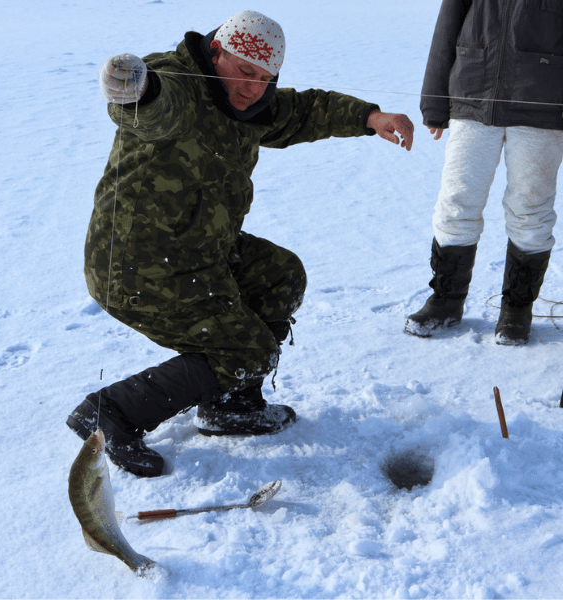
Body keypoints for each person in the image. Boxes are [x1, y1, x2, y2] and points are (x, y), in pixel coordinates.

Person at [67, 10, 414, 477]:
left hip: (199, 252)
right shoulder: (182, 86)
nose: (253, 87)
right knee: (248, 350)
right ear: (215, 53)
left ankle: (231, 405)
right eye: (245, 72)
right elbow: (154, 110)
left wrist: (371, 116)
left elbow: (304, 110)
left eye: (265, 79)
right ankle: (112, 412)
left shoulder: (250, 106)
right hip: (134, 265)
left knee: (280, 275)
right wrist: (137, 91)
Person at [404, 0, 563, 345]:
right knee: (457, 201)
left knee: (531, 210)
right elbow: (447, 28)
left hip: (542, 106)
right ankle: (446, 301)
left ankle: (516, 310)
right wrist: (434, 102)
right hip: (472, 96)